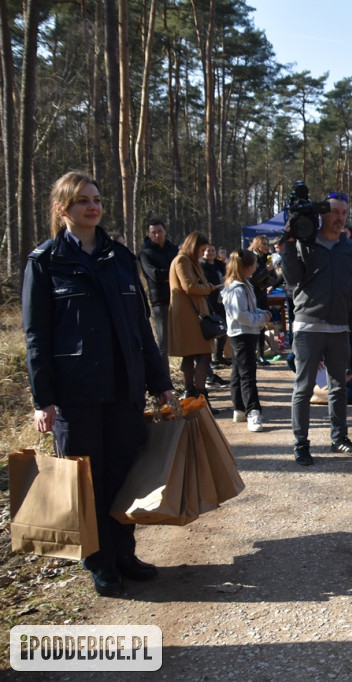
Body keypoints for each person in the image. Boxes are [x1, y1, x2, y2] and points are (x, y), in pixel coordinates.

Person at [22, 171, 174, 596]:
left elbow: (141, 327)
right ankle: (100, 561)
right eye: (82, 201)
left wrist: (159, 381)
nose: (93, 206)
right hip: (76, 395)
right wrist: (43, 399)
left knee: (124, 476)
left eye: (96, 198)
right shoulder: (46, 262)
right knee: (85, 482)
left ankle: (124, 552)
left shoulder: (120, 257)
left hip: (124, 389)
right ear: (61, 209)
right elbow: (38, 336)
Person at [282, 192, 352, 465]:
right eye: (335, 212)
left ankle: (339, 439)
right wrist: (289, 243)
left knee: (338, 388)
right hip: (307, 328)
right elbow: (291, 277)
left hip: (339, 329)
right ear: (321, 214)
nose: (340, 217)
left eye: (343, 213)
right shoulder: (303, 244)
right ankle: (301, 445)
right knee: (303, 388)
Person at [169, 231, 223, 413]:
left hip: (191, 313)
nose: (203, 253)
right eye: (202, 249)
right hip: (189, 315)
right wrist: (209, 288)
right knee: (203, 354)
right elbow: (189, 286)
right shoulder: (183, 260)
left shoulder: (188, 260)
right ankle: (199, 396)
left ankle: (192, 395)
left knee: (192, 355)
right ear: (194, 246)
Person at [222, 249, 271, 432]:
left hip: (246, 332)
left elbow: (249, 309)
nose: (257, 267)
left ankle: (239, 408)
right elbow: (239, 315)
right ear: (248, 267)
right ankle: (253, 411)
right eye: (255, 264)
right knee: (248, 374)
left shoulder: (245, 284)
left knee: (238, 371)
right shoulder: (236, 289)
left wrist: (261, 313)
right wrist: (259, 319)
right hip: (241, 334)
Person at [138, 218, 178, 372]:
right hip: (160, 301)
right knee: (163, 344)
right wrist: (173, 274)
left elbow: (182, 268)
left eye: (159, 231)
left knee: (185, 339)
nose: (157, 235)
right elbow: (155, 275)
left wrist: (170, 274)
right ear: (148, 234)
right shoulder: (145, 253)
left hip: (178, 299)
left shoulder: (172, 249)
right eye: (153, 232)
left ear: (164, 231)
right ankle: (165, 381)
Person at [200, 243, 229, 375]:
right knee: (212, 329)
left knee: (224, 327)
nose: (210, 253)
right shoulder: (201, 265)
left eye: (212, 250)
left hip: (221, 299)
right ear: (203, 253)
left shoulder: (219, 264)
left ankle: (219, 356)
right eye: (208, 251)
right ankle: (211, 359)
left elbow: (227, 275)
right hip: (209, 300)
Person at [249, 234, 277, 365]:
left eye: (267, 244)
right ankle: (252, 354)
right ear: (257, 244)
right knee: (252, 324)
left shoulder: (267, 258)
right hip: (252, 294)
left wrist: (265, 279)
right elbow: (253, 279)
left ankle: (261, 354)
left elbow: (274, 278)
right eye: (264, 244)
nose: (267, 247)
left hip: (262, 293)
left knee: (262, 324)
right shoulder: (251, 257)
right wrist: (266, 273)